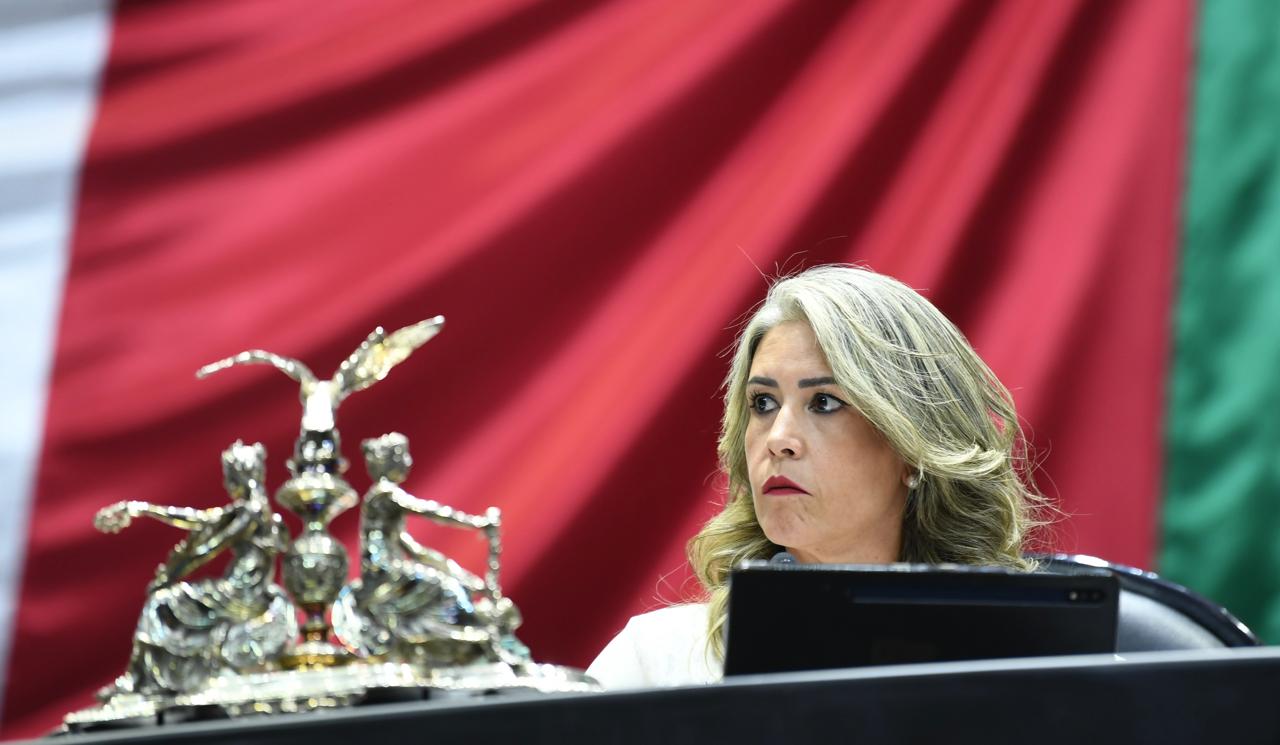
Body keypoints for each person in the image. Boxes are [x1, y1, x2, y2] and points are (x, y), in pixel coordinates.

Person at [586, 265, 1046, 688]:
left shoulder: (1022, 666)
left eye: (824, 402)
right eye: (763, 403)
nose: (778, 439)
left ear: (913, 448)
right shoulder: (656, 662)